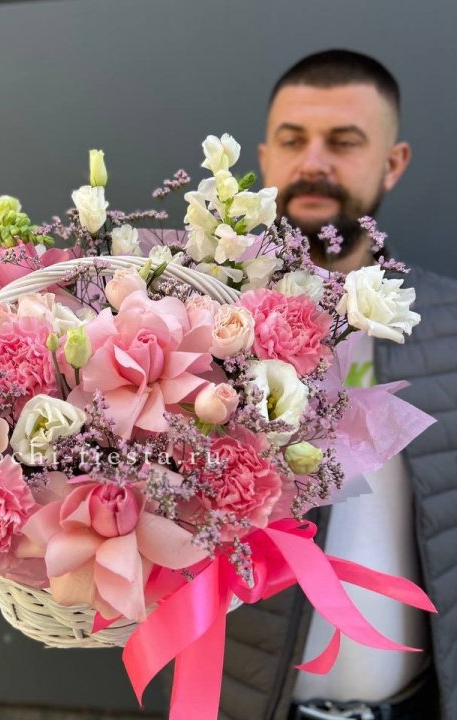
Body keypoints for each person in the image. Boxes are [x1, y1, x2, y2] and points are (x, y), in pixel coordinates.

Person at [219, 50, 457, 720]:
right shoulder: (195, 322)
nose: (314, 162)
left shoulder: (451, 326)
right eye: (293, 140)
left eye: (345, 141)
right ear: (265, 158)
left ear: (393, 162)